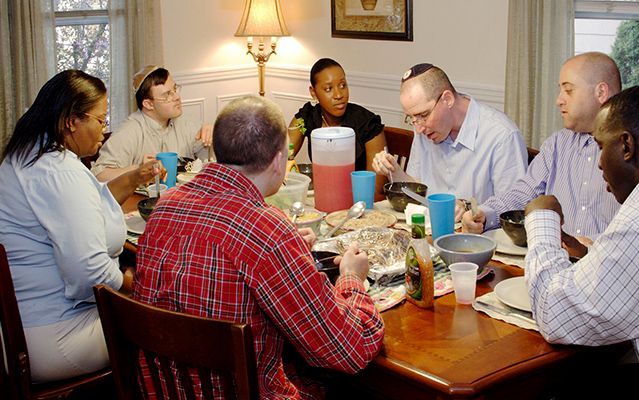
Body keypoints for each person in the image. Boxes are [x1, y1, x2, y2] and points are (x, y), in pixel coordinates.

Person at [133, 95, 385, 398]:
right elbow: (348, 350)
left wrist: (288, 247)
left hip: (164, 390)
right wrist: (351, 278)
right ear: (279, 161)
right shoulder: (266, 229)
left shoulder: (167, 205)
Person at [524, 85, 639, 399]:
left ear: (627, 145)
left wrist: (541, 219)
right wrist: (593, 254)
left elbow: (555, 316)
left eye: (601, 146)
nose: (600, 163)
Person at [0, 70, 161, 382]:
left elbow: (90, 203)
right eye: (100, 120)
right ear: (72, 121)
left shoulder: (27, 154)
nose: (104, 129)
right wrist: (136, 287)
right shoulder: (60, 173)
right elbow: (89, 273)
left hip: (20, 327)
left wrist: (133, 177)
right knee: (171, 322)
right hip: (57, 336)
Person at [462, 52, 622, 256]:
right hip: (553, 263)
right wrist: (485, 214)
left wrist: (593, 244)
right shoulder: (557, 144)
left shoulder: (628, 153)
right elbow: (524, 193)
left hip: (607, 267)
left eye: (569, 90)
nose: (559, 100)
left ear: (601, 92)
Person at [372, 63, 527, 220]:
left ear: (447, 99)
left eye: (423, 115)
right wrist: (395, 170)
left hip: (479, 238)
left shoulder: (501, 136)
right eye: (412, 118)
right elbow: (418, 192)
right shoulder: (425, 128)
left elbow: (514, 210)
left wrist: (468, 208)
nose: (418, 129)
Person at [91, 65, 213, 181]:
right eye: (167, 95)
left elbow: (210, 164)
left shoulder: (187, 124)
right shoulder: (129, 132)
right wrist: (137, 168)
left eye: (175, 89)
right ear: (148, 104)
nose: (177, 97)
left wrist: (215, 138)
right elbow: (99, 176)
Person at [290, 58, 388, 198]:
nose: (339, 95)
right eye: (328, 89)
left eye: (342, 85)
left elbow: (376, 190)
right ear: (313, 92)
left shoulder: (367, 123)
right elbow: (283, 155)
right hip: (324, 199)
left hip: (360, 203)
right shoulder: (308, 117)